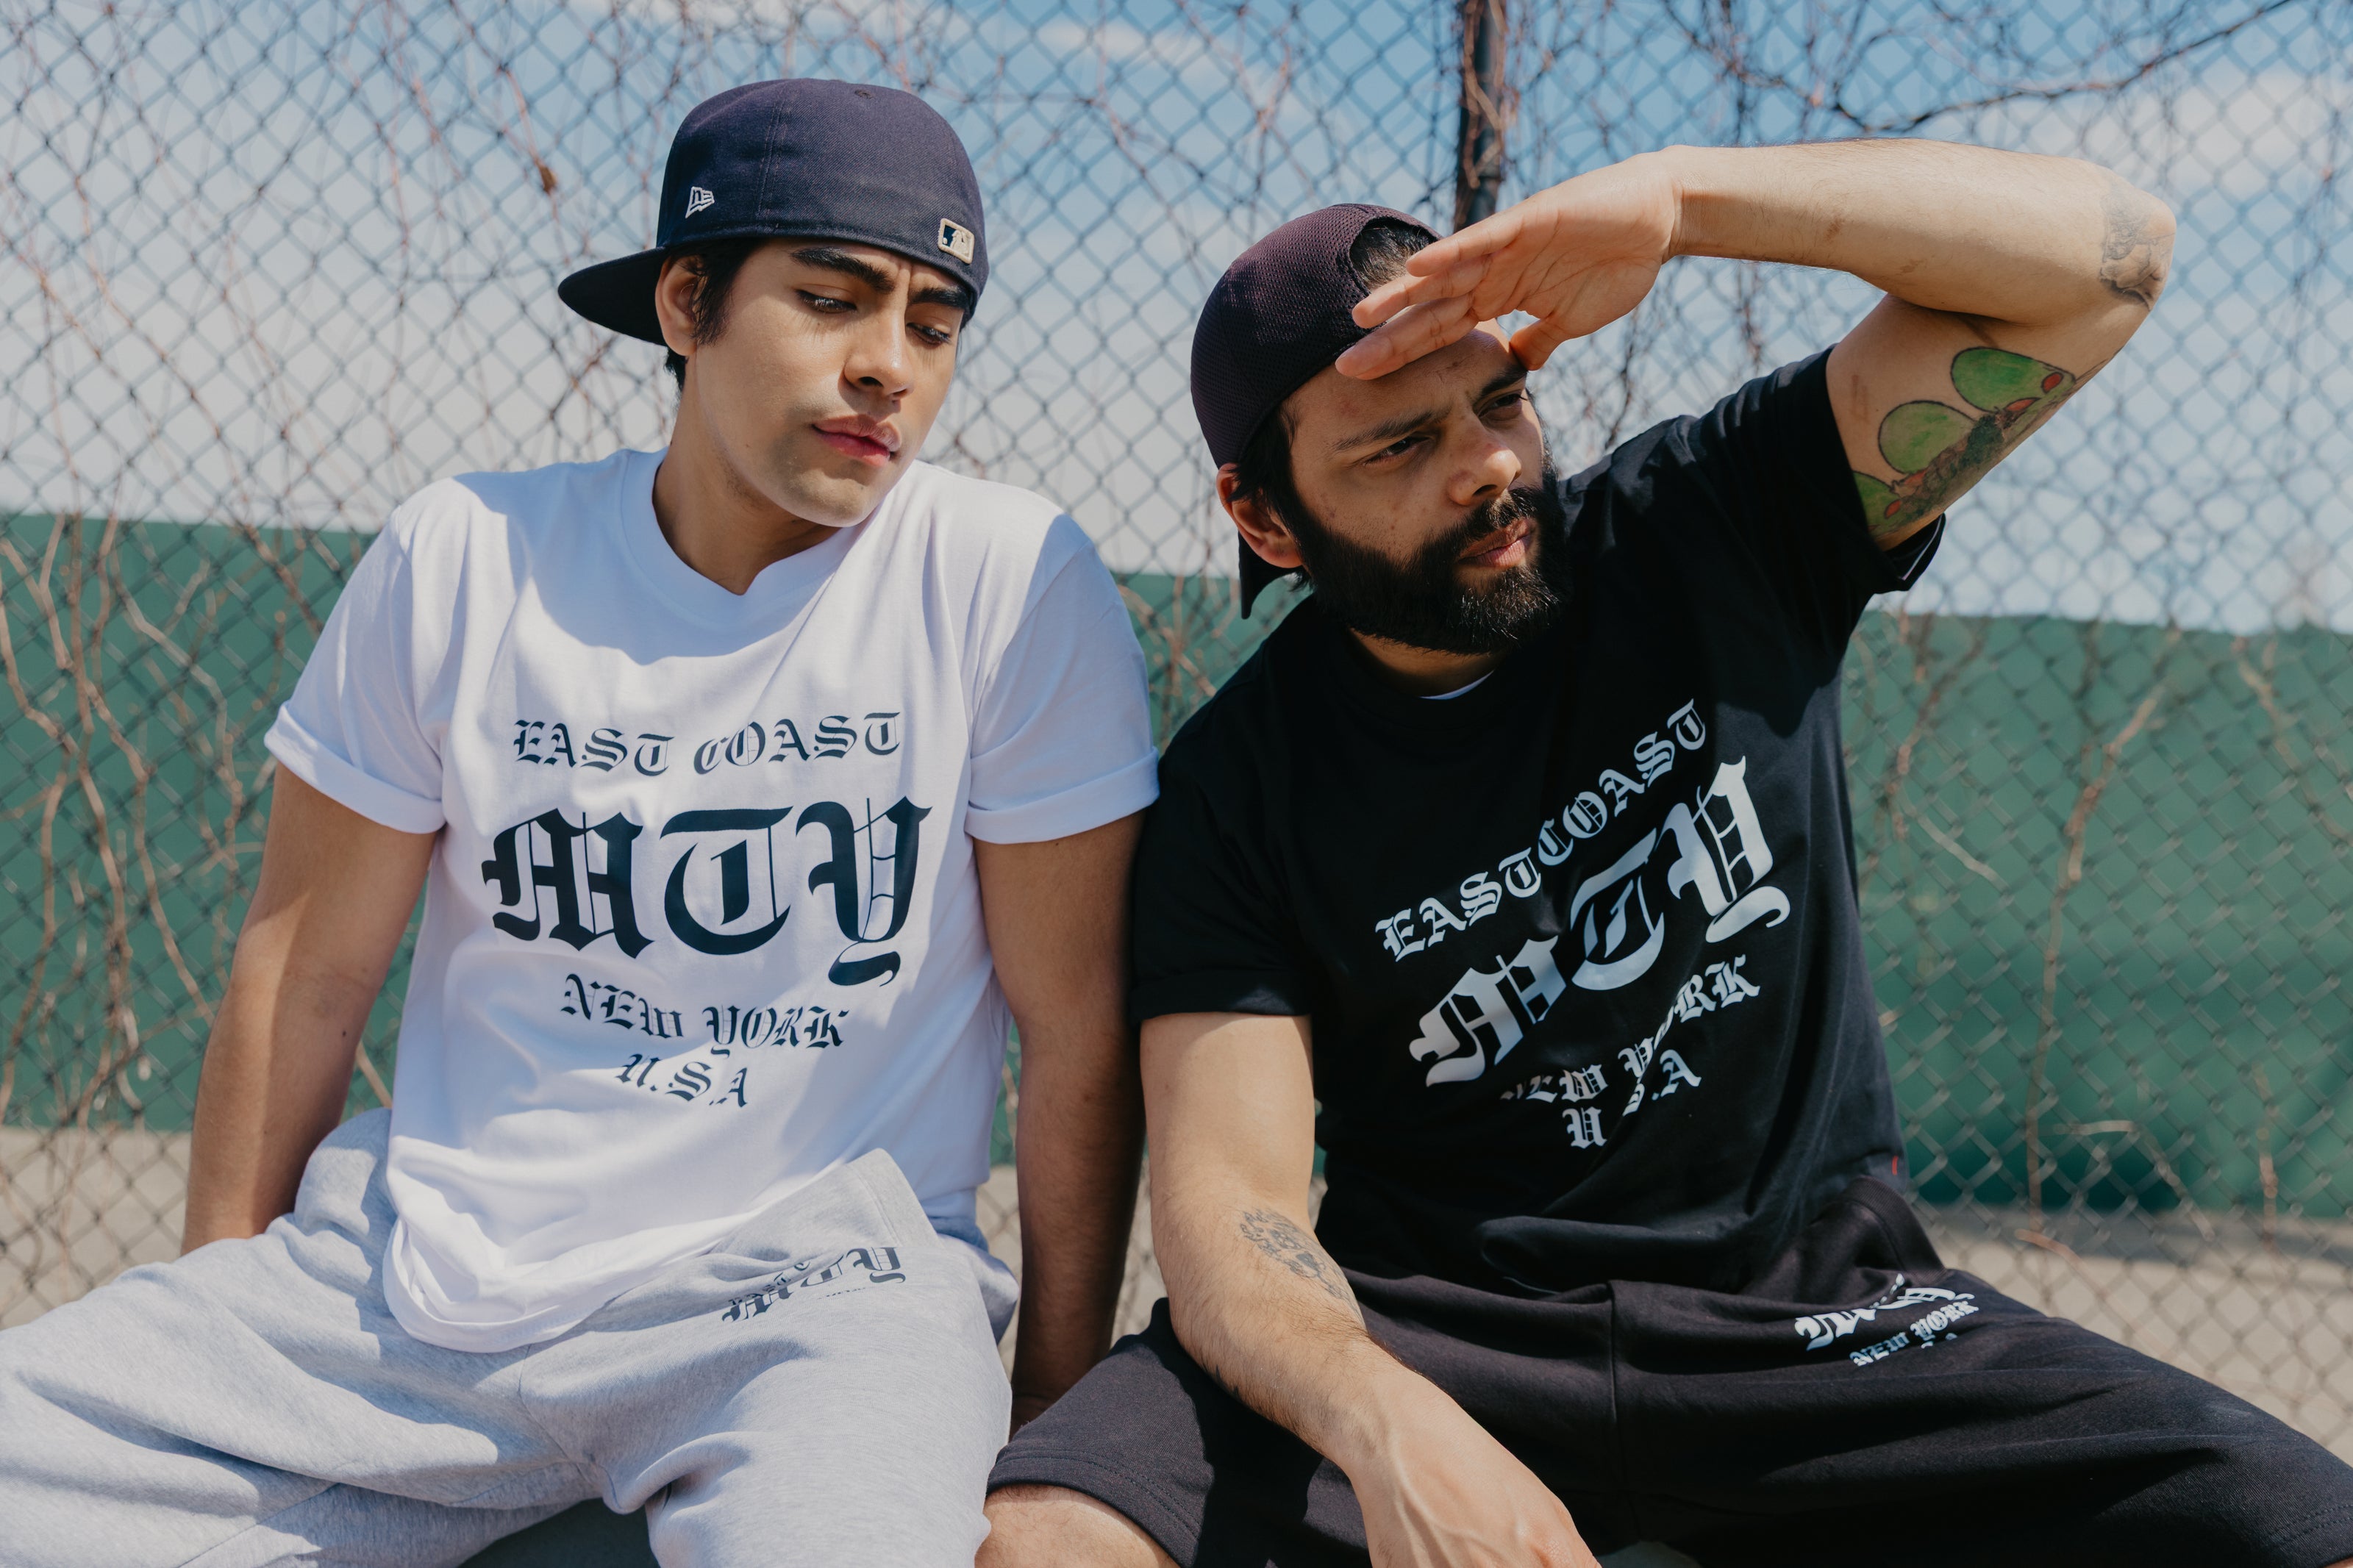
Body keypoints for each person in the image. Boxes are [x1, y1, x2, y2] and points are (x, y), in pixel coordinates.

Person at [982, 144, 2353, 1567]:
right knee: (1051, 1540)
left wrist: (1687, 202)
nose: (1488, 464)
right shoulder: (1236, 791)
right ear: (1263, 515)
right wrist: (1389, 1425)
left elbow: (2112, 258)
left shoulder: (1715, 522)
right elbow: (1234, 1212)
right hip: (1435, 1333)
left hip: (1816, 1317)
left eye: (1500, 398)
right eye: (1397, 444)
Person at [0, 79, 1157, 1568]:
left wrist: (1047, 1413)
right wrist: (222, 1333)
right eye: (830, 299)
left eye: (934, 324)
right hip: (410, 1286)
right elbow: (305, 973)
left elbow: (1074, 1025)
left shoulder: (1005, 578)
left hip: (820, 1306)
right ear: (686, 302)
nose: (888, 365)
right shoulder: (468, 554)